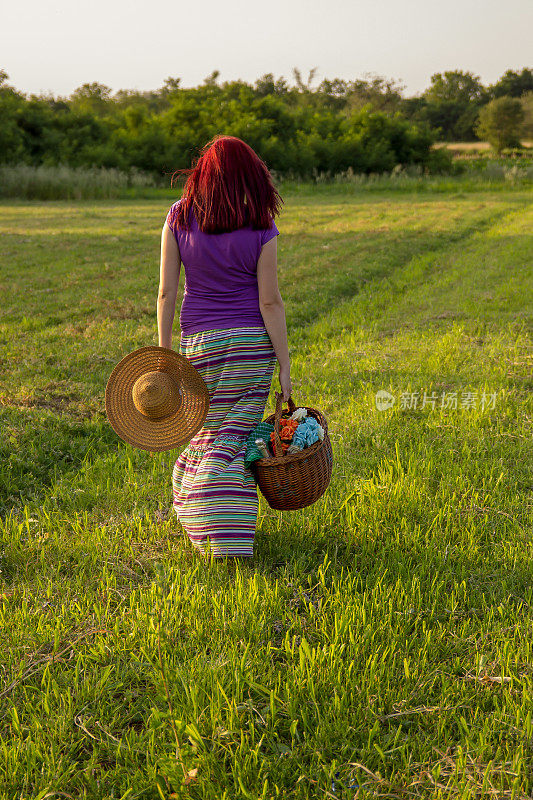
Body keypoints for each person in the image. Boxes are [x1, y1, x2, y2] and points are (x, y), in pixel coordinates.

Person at [157, 135, 292, 562]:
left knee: (207, 434)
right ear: (253, 176)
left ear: (203, 174)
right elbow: (270, 301)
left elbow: (165, 294)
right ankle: (229, 536)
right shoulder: (261, 224)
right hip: (252, 346)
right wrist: (285, 365)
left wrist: (164, 358)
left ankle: (209, 526)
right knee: (234, 439)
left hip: (200, 346)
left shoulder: (178, 217)